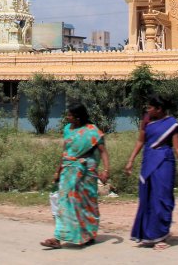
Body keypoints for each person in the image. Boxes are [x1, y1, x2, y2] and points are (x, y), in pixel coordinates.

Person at [125, 94, 178, 251]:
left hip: (164, 162)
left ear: (159, 109)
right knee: (147, 198)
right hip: (148, 161)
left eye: (150, 108)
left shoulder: (172, 124)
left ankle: (161, 236)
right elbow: (140, 141)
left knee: (162, 198)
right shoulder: (146, 121)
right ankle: (148, 234)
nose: (147, 110)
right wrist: (130, 160)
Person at [40, 103, 110, 249]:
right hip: (68, 170)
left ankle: (88, 234)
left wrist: (106, 171)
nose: (67, 117)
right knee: (64, 203)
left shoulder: (92, 131)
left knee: (87, 205)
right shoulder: (67, 129)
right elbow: (65, 152)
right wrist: (58, 172)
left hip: (86, 172)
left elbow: (103, 151)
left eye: (70, 115)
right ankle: (58, 237)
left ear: (77, 118)